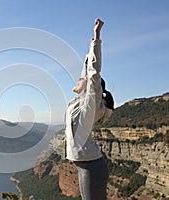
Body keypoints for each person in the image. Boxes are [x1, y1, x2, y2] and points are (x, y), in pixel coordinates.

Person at [65, 18, 114, 200]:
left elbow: (93, 71)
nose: (79, 78)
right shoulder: (81, 101)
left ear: (93, 88)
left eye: (82, 79)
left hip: (91, 165)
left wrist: (96, 36)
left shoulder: (89, 102)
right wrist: (87, 56)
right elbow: (86, 70)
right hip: (85, 164)